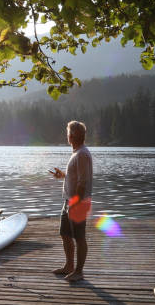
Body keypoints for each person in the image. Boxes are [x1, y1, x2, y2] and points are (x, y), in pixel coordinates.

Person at [50, 120, 93, 282]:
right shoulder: (77, 153)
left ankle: (79, 271)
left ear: (72, 136)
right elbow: (76, 177)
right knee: (65, 234)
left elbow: (83, 182)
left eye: (68, 133)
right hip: (68, 201)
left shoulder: (82, 154)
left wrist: (76, 203)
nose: (67, 136)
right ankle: (69, 266)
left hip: (77, 202)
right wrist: (63, 176)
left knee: (79, 237)